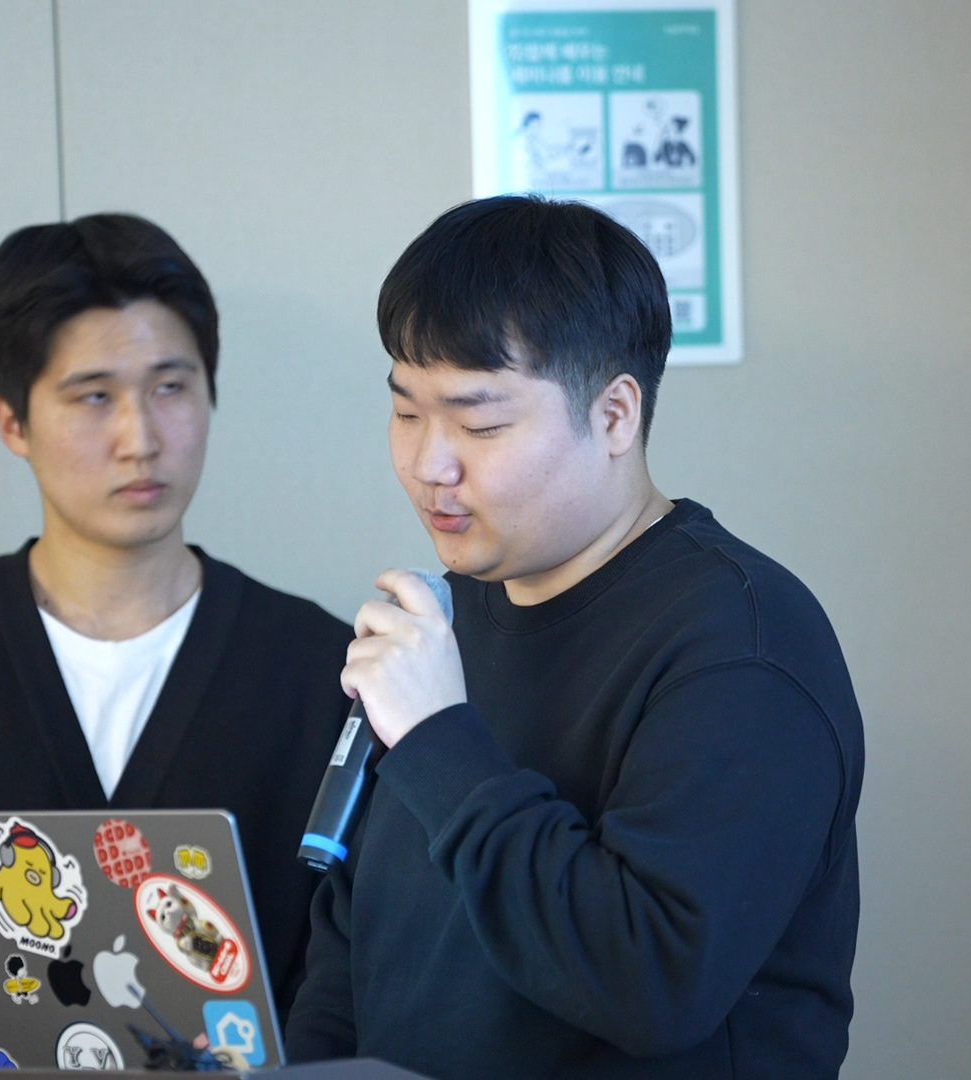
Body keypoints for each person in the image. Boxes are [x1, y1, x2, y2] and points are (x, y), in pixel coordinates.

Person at [285, 196, 865, 1078]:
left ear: (615, 415)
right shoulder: (445, 620)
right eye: (406, 412)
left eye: (480, 424)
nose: (430, 463)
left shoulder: (743, 644)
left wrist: (439, 739)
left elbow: (653, 983)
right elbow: (352, 947)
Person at [0, 214, 352, 1065]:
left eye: (171, 387)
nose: (140, 439)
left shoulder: (317, 672)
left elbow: (350, 977)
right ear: (12, 421)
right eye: (93, 396)